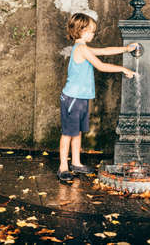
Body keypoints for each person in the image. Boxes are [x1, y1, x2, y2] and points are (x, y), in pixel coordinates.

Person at [58, 12, 137, 182]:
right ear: (81, 30)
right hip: (72, 99)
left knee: (77, 132)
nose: (93, 34)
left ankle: (76, 163)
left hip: (80, 98)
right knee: (67, 133)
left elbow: (104, 51)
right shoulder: (81, 49)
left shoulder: (84, 48)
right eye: (91, 31)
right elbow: (100, 66)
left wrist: (126, 49)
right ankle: (63, 166)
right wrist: (123, 69)